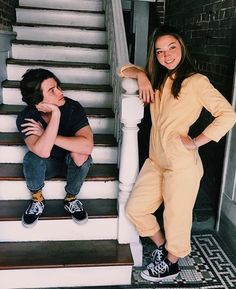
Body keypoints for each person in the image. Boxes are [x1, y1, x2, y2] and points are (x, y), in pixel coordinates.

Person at [119, 25, 236, 282]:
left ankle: (172, 262)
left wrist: (196, 141)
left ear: (182, 46)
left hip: (181, 164)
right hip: (155, 160)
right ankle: (162, 247)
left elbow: (228, 114)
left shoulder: (196, 81)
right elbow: (123, 68)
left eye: (172, 47)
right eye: (160, 51)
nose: (167, 55)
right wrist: (141, 75)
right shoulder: (158, 78)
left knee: (176, 216)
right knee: (136, 209)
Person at [16, 68, 93, 228]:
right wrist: (56, 115)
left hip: (70, 164)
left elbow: (87, 145)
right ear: (38, 101)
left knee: (81, 154)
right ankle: (37, 199)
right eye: (52, 90)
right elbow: (42, 151)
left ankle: (71, 198)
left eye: (57, 86)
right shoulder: (27, 117)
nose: (60, 92)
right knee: (31, 157)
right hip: (46, 165)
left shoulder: (73, 108)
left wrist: (47, 130)